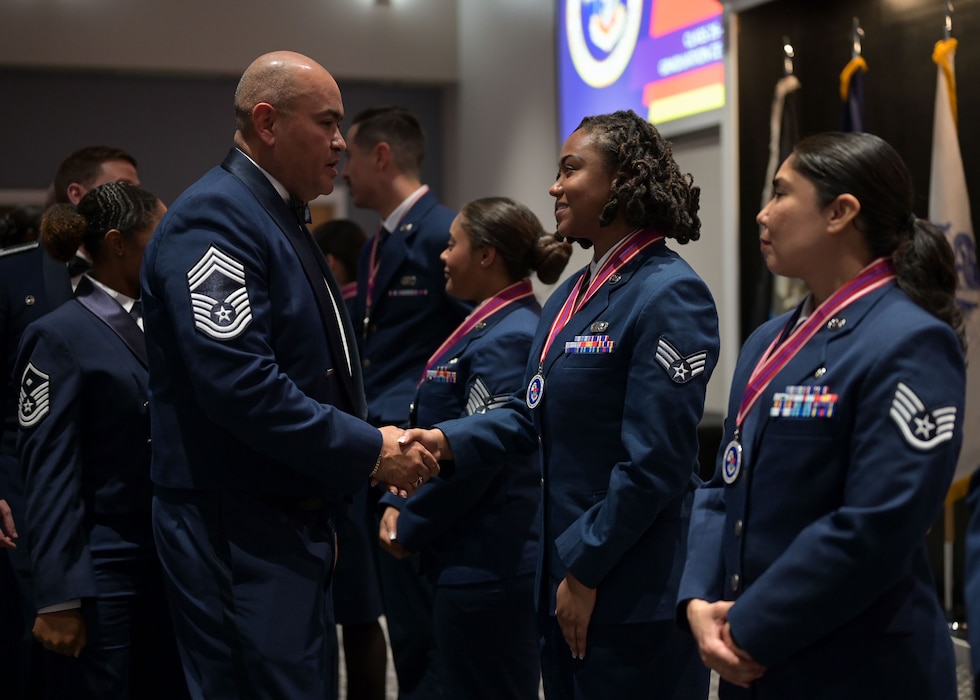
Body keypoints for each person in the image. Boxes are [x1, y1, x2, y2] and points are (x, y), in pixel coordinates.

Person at [140, 51, 438, 700]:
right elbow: (240, 385)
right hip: (236, 523)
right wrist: (370, 449)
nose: (340, 143)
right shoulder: (215, 218)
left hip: (281, 517)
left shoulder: (278, 215)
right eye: (327, 124)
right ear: (267, 123)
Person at [404, 110, 719, 699]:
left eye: (570, 169)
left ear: (621, 182)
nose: (554, 186)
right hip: (564, 581)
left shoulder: (670, 292)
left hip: (627, 590)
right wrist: (447, 441)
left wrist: (584, 566)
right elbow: (530, 415)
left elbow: (654, 463)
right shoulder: (572, 295)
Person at [678, 131, 966, 699]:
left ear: (841, 212)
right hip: (750, 662)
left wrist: (748, 626)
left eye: (782, 194)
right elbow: (722, 485)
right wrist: (697, 601)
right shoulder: (767, 342)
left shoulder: (910, 341)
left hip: (858, 668)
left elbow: (876, 524)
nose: (763, 213)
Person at [378, 197, 571, 698]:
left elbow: (479, 459)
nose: (443, 255)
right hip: (462, 552)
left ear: (486, 255)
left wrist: (410, 521)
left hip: (489, 559)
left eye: (452, 244)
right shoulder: (488, 323)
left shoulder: (514, 333)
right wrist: (393, 501)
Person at [14, 182, 187, 699]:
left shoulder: (171, 323)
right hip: (102, 568)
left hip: (173, 559)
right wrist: (58, 597)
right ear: (118, 243)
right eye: (163, 234)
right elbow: (48, 474)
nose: (175, 248)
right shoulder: (58, 334)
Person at [0, 145, 139, 700]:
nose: (134, 200)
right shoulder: (12, 276)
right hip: (23, 500)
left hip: (113, 505)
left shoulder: (131, 278)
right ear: (80, 196)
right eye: (124, 187)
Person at [343, 105, 470, 698]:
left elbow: (484, 346)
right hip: (381, 450)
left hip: (422, 455)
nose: (343, 170)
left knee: (429, 632)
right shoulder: (379, 242)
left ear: (381, 155)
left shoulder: (447, 231)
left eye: (349, 156)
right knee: (406, 626)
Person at [313, 216, 387, 700]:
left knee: (344, 614)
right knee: (360, 612)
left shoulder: (341, 305)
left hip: (345, 463)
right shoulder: (364, 304)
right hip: (362, 464)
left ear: (331, 263)